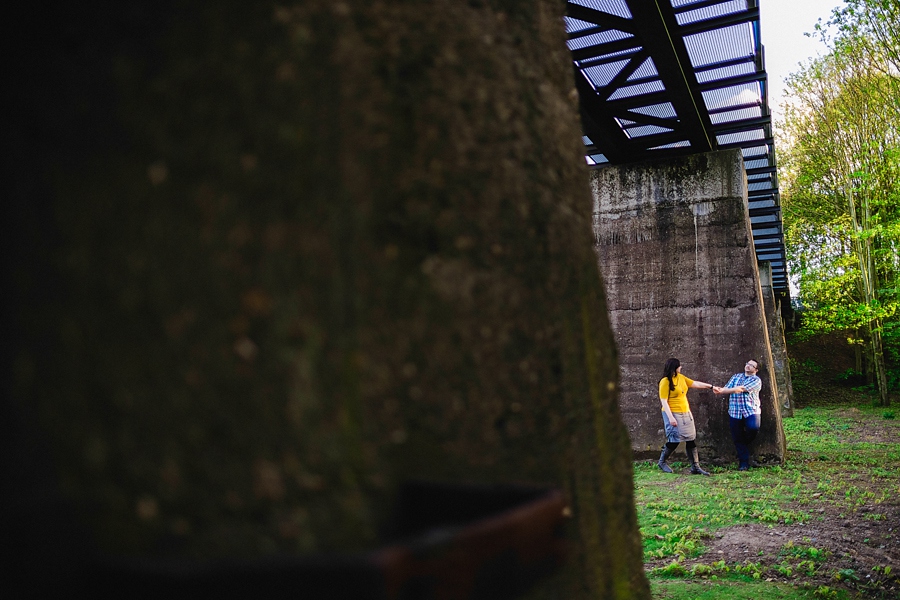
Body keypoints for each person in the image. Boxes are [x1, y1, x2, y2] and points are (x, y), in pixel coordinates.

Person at [657, 358, 716, 476]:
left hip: (685, 413)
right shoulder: (665, 381)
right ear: (674, 367)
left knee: (690, 438)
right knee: (674, 440)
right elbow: (663, 401)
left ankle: (695, 466)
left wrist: (711, 387)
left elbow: (695, 383)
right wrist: (671, 418)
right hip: (673, 413)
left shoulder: (681, 378)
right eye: (679, 366)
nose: (681, 367)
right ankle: (662, 462)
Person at [712, 359, 763, 471]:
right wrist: (719, 389)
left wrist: (722, 391)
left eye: (752, 366)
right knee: (737, 437)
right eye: (747, 364)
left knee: (753, 428)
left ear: (756, 369)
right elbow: (727, 387)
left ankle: (743, 445)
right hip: (735, 411)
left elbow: (740, 389)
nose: (748, 366)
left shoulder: (756, 380)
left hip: (751, 410)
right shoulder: (736, 377)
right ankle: (743, 463)